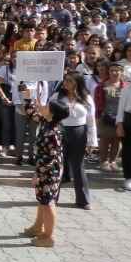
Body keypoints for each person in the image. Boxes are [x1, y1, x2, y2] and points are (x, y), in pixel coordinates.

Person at [21, 96, 68, 248]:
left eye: (47, 106)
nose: (43, 106)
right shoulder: (47, 121)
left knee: (48, 202)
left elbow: (50, 158)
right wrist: (27, 97)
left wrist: (38, 175)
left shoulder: (52, 132)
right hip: (45, 168)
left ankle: (48, 237)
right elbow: (31, 114)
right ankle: (38, 228)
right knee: (43, 199)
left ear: (52, 113)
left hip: (49, 170)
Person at [53, 71, 97, 209]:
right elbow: (48, 117)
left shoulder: (86, 98)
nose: (66, 83)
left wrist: (92, 141)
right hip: (60, 132)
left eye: (70, 81)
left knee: (78, 166)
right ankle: (52, 198)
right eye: (65, 80)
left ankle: (83, 200)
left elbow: (91, 121)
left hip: (79, 133)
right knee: (58, 165)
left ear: (78, 83)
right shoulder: (56, 96)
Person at [94, 62, 125, 171]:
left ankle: (113, 161)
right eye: (112, 70)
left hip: (120, 118)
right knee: (104, 140)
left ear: (122, 72)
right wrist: (97, 118)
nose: (114, 72)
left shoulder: (126, 86)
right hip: (105, 117)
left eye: (117, 70)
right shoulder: (101, 86)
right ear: (109, 71)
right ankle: (103, 161)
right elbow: (97, 103)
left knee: (117, 141)